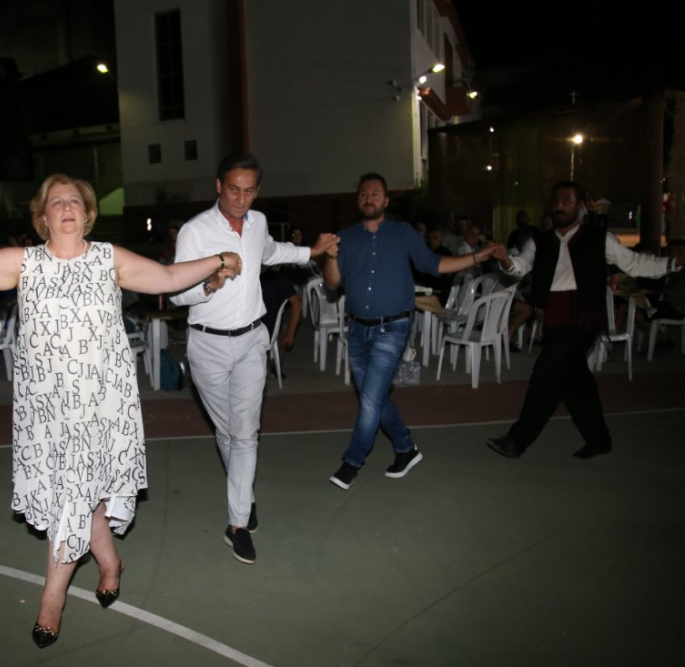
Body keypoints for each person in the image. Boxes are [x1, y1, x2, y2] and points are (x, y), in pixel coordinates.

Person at [0, 158, 241, 648]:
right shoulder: (25, 263)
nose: (66, 207)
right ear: (43, 217)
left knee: (75, 493)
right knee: (80, 493)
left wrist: (218, 259)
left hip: (102, 406)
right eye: (55, 202)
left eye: (74, 201)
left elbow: (169, 277)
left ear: (87, 214)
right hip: (47, 410)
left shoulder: (108, 258)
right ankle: (110, 562)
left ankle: (52, 598)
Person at [170, 152, 338, 564]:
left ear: (257, 191)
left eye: (248, 191)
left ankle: (237, 524)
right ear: (218, 186)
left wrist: (311, 251)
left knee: (245, 433)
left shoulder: (258, 222)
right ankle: (244, 494)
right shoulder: (195, 231)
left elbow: (272, 251)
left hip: (250, 341)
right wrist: (209, 283)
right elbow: (176, 293)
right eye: (233, 189)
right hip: (207, 344)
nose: (240, 199)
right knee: (227, 431)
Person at [486, 181, 685, 460]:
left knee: (547, 372)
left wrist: (672, 264)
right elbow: (520, 266)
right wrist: (506, 261)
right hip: (553, 317)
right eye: (556, 200)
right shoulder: (539, 241)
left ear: (579, 205)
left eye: (567, 200)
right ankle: (599, 439)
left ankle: (517, 440)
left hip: (584, 316)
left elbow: (634, 263)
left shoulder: (598, 238)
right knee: (575, 382)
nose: (560, 205)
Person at [324, 173, 502, 490]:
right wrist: (330, 255)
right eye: (363, 193)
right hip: (358, 329)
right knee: (374, 397)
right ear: (358, 200)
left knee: (370, 400)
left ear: (385, 201)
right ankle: (405, 448)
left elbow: (436, 265)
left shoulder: (402, 233)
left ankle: (353, 461)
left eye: (375, 193)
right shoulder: (345, 237)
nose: (368, 198)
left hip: (393, 327)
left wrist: (480, 255)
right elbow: (333, 282)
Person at [260, 267, 301, 379]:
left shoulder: (244, 277)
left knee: (283, 327)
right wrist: (290, 334)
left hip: (252, 330)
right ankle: (275, 363)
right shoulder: (280, 279)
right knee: (283, 327)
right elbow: (297, 304)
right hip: (266, 332)